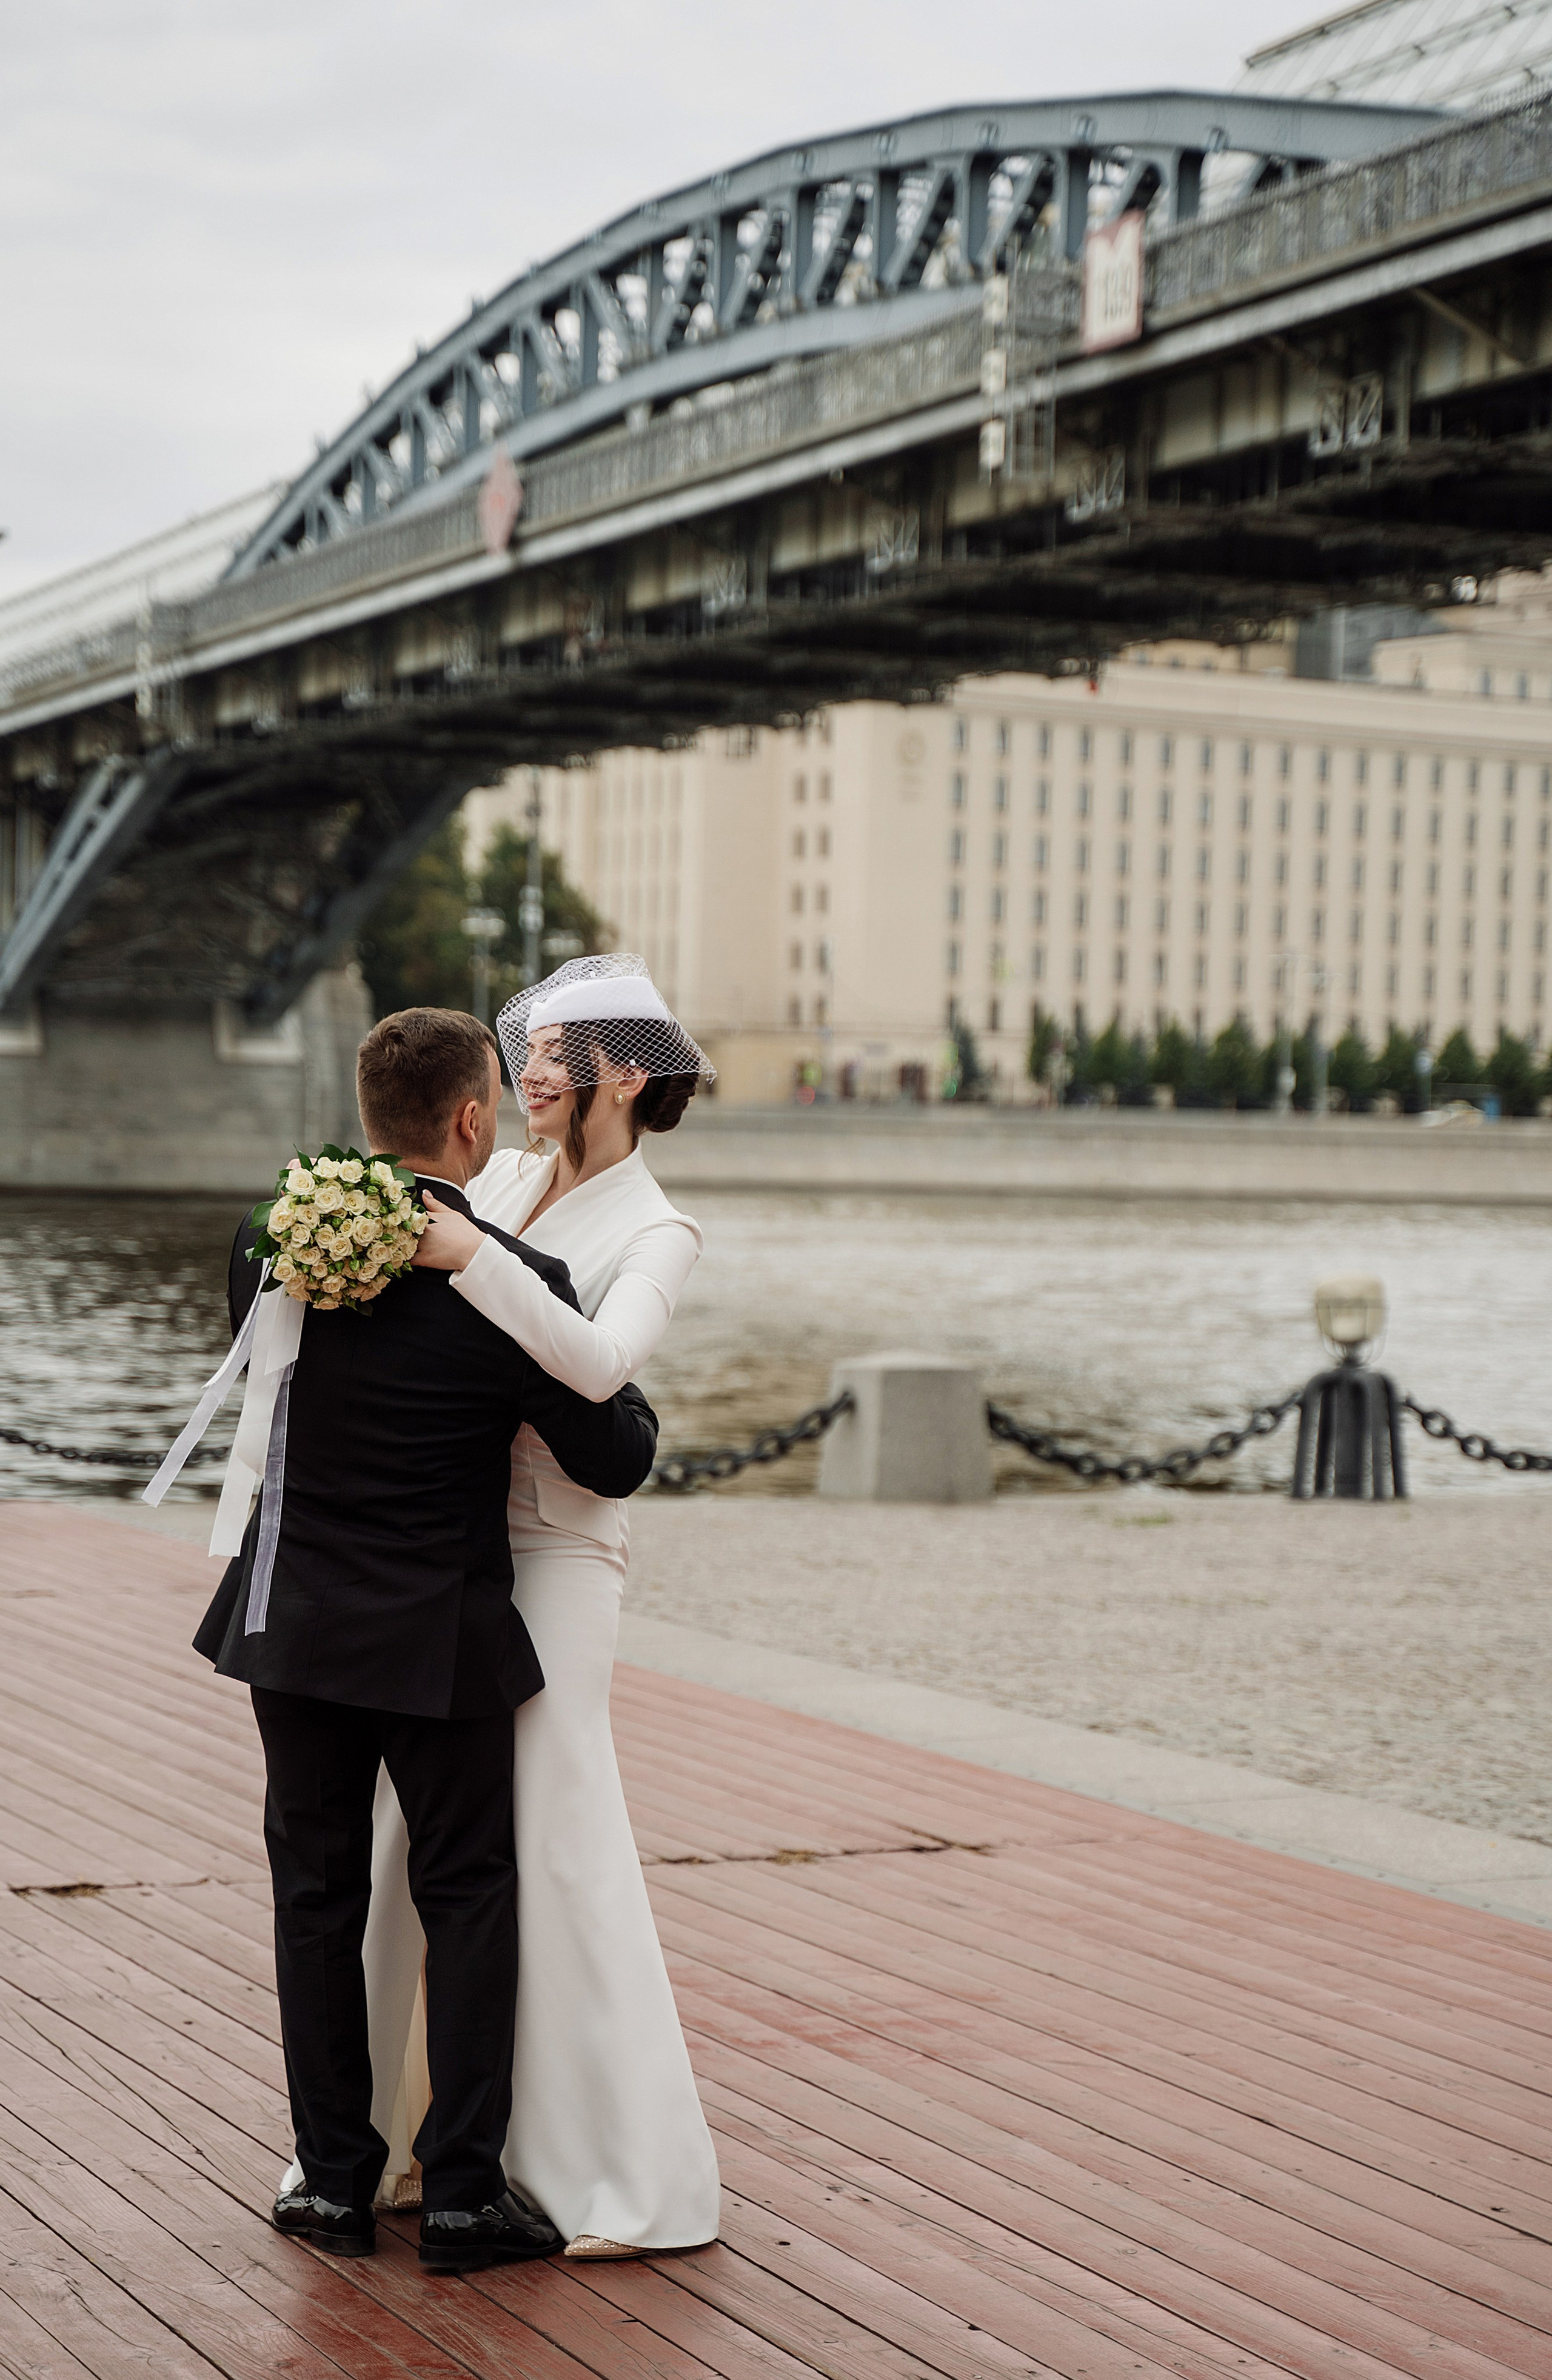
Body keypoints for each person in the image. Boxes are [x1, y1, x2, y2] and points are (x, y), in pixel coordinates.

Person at [195, 1006, 660, 2271]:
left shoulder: (272, 1238)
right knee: (465, 1896)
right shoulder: (505, 1279)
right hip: (434, 1633)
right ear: (469, 1118)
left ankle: (333, 2185)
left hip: (293, 1620)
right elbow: (611, 1457)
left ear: (367, 1114)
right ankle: (459, 2195)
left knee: (315, 1896)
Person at [361, 955, 721, 2259]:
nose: (529, 1074)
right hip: (451, 1540)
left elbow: (601, 1364)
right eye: (528, 1052)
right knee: (408, 1835)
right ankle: (396, 2139)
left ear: (623, 1075)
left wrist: (472, 1253)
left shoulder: (659, 1232)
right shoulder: (508, 1179)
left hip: (560, 1555)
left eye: (558, 1056)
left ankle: (610, 2167)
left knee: (558, 1828)